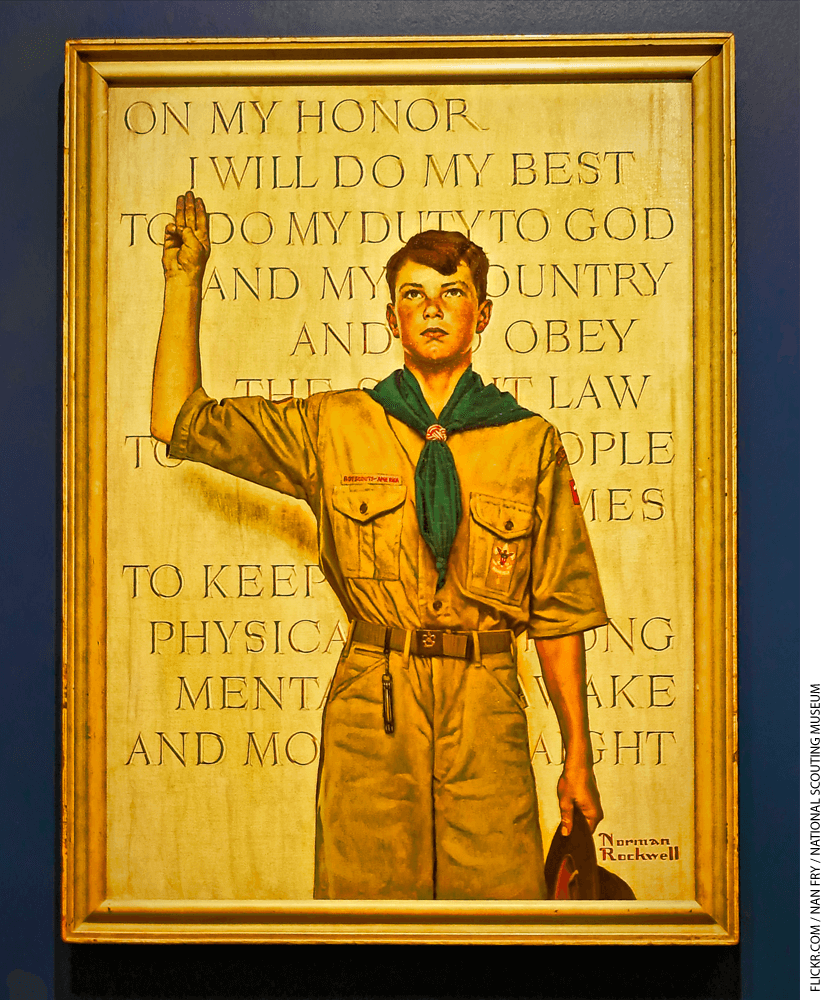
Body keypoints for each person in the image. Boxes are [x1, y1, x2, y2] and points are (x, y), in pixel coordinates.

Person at [151, 191, 608, 901]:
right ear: (392, 317)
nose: (431, 308)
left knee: (503, 927)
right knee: (364, 925)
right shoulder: (333, 426)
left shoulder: (529, 441)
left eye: (452, 292)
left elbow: (559, 612)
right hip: (374, 701)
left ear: (480, 316)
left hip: (486, 703)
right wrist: (185, 281)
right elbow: (179, 420)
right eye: (413, 295)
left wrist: (578, 751)